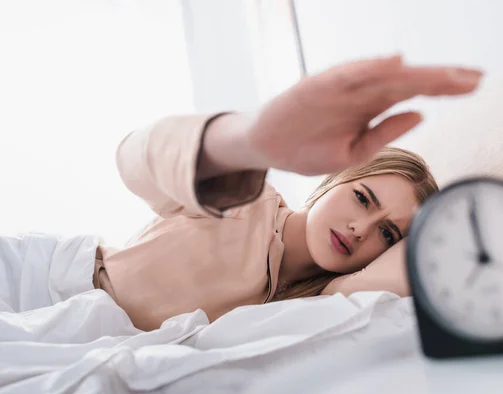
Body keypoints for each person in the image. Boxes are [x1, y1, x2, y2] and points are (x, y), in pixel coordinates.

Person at [97, 57, 480, 331]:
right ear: (336, 178)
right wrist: (252, 141)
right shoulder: (244, 199)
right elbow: (135, 161)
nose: (361, 228)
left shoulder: (319, 304)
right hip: (61, 294)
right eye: (363, 198)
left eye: (387, 234)